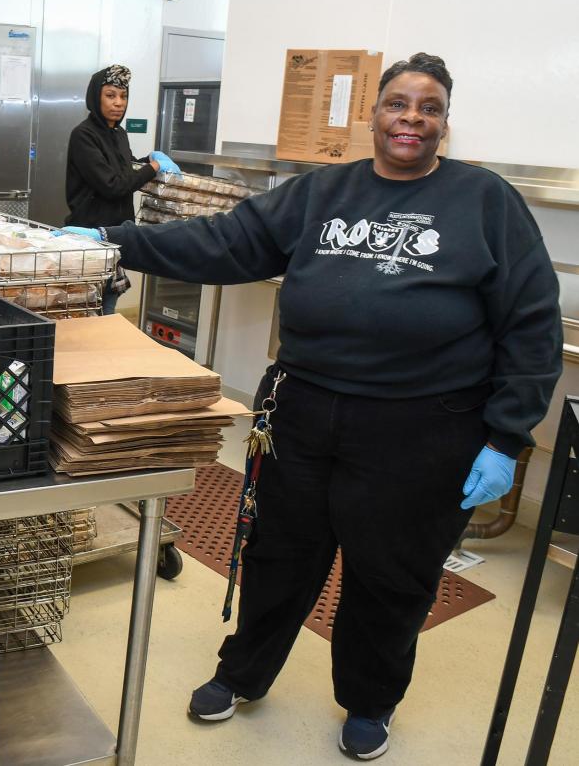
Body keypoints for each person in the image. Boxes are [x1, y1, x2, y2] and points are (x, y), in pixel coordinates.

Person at [65, 53, 561, 760]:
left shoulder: (483, 201)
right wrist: (114, 240)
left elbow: (531, 322)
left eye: (427, 108)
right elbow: (224, 242)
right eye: (397, 104)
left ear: (444, 123)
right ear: (373, 114)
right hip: (303, 413)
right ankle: (241, 675)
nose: (410, 120)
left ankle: (368, 701)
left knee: (389, 575)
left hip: (421, 428)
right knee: (277, 554)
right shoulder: (322, 191)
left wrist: (505, 437)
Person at [64, 64, 180, 313]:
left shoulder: (119, 134)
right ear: (95, 97)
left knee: (108, 302)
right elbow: (113, 185)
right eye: (110, 95)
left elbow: (124, 170)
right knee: (87, 309)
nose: (118, 103)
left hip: (115, 238)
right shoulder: (84, 135)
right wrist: (153, 167)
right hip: (91, 238)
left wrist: (146, 160)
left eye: (123, 96)